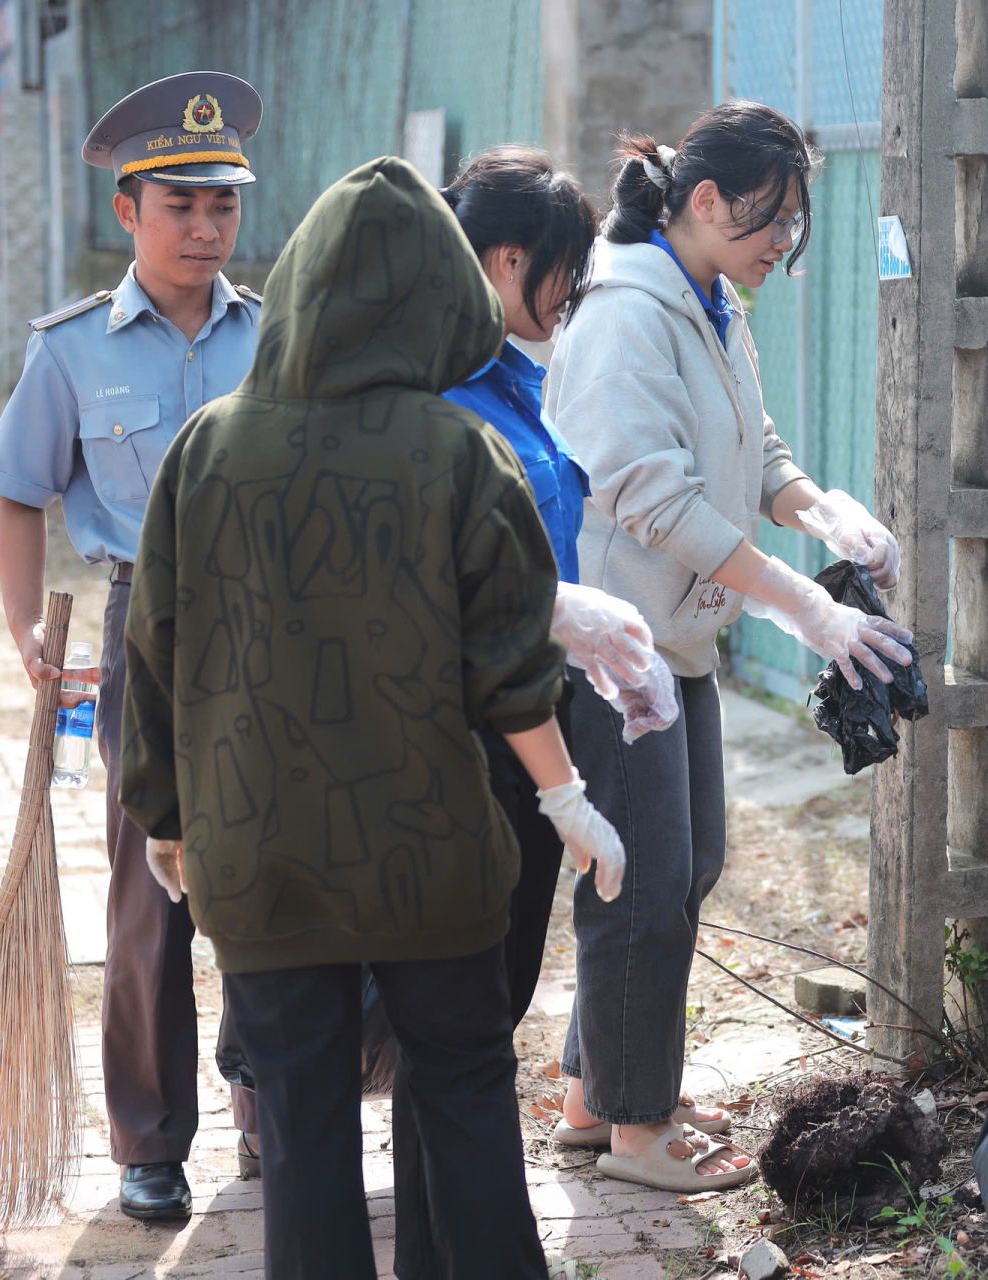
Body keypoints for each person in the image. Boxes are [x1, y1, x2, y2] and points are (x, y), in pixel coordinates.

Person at [116, 155, 626, 1279]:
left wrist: (164, 818)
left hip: (259, 853)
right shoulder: (461, 453)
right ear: (442, 296)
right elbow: (511, 667)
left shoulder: (205, 448)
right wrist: (569, 798)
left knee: (300, 1132)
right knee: (466, 1099)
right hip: (430, 856)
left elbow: (152, 649)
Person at [544, 100, 912, 1193]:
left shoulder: (710, 298)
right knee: (646, 879)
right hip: (621, 652)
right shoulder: (624, 311)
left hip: (681, 640)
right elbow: (655, 497)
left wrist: (819, 509)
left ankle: (593, 1092)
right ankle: (639, 1129)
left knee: (684, 862)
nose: (780, 245)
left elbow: (755, 450)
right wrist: (805, 603)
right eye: (772, 221)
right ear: (705, 202)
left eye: (791, 225)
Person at [0, 71, 266, 1221]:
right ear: (127, 213)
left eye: (223, 207)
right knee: (152, 899)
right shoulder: (71, 353)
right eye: (180, 205)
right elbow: (16, 493)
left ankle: (269, 1105)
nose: (205, 228)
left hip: (271, 635)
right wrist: (18, 630)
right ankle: (150, 1140)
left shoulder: (278, 337)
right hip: (143, 631)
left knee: (269, 876)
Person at [385, 144, 678, 1280]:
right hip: (470, 737)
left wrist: (582, 631)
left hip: (529, 717)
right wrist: (560, 612)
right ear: (508, 260)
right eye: (563, 270)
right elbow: (454, 576)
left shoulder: (515, 378)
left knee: (483, 1013)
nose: (573, 296)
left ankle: (438, 1248)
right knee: (455, 1025)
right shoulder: (437, 396)